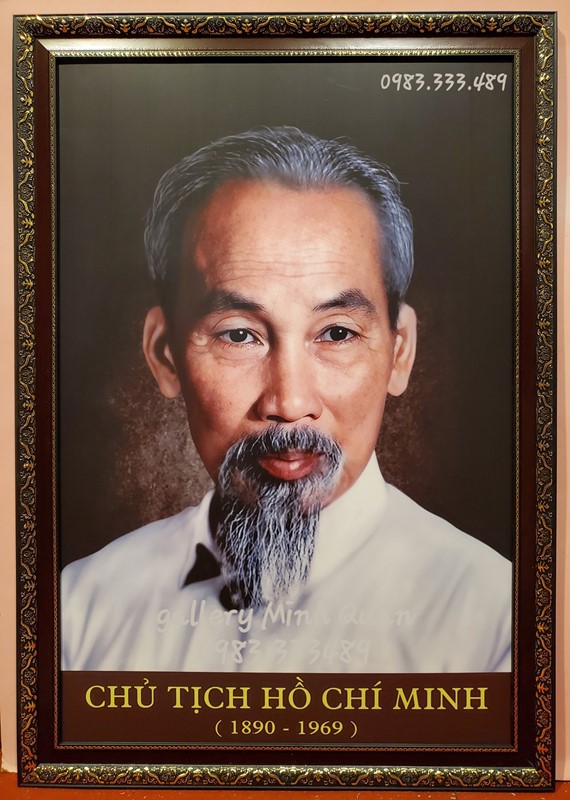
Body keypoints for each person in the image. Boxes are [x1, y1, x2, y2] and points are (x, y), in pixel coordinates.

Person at [61, 126, 511, 673]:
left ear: (399, 352)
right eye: (238, 335)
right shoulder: (76, 614)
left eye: (337, 333)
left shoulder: (500, 626)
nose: (290, 402)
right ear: (164, 354)